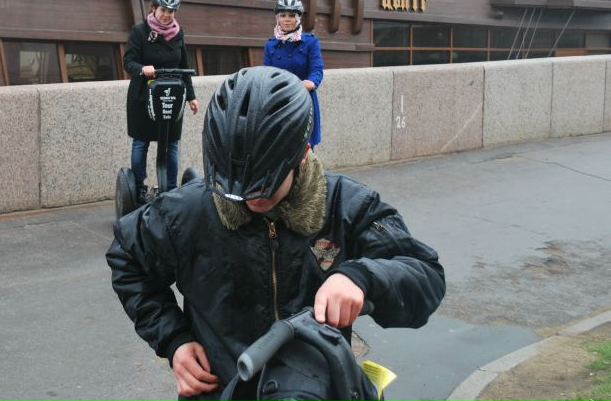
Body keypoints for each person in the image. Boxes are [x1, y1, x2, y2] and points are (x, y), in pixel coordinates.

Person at [107, 66, 445, 400]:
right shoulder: (186, 211)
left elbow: (425, 274)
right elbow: (127, 259)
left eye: (264, 182)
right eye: (238, 183)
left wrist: (362, 277)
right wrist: (174, 340)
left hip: (314, 389)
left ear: (303, 155)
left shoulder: (346, 205)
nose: (251, 197)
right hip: (221, 389)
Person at [124, 0, 199, 200]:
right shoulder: (139, 31)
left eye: (171, 11)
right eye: (163, 10)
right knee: (141, 142)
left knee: (172, 143)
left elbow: (184, 66)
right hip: (143, 96)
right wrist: (142, 68)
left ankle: (170, 188)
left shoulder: (178, 33)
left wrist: (191, 97)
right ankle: (139, 189)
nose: (167, 15)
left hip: (171, 97)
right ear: (154, 8)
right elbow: (128, 61)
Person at [263, 0, 324, 149]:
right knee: (279, 146)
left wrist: (311, 82)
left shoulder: (310, 42)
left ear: (298, 18)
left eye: (291, 15)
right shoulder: (270, 45)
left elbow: (317, 69)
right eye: (283, 15)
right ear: (277, 18)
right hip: (279, 100)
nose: (287, 19)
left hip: (303, 98)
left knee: (304, 147)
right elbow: (266, 74)